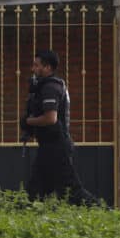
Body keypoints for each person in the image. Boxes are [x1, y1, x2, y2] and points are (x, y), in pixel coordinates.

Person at [21, 50, 100, 206]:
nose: (33, 69)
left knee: (73, 192)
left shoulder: (50, 87)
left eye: (37, 65)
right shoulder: (46, 86)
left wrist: (28, 122)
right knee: (35, 192)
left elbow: (50, 118)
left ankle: (106, 213)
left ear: (48, 67)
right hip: (48, 146)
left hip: (56, 147)